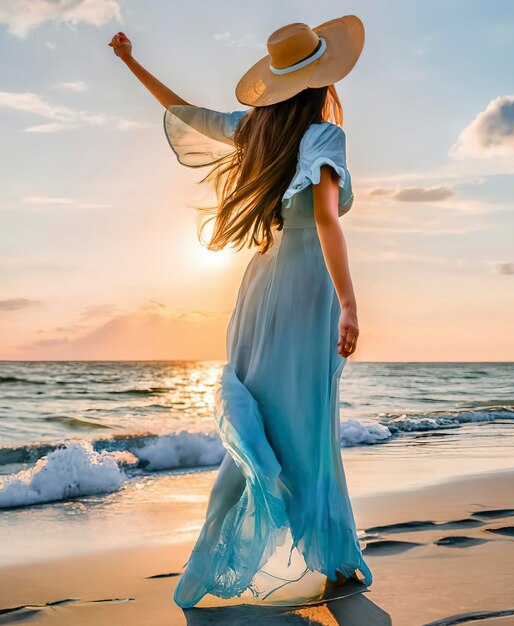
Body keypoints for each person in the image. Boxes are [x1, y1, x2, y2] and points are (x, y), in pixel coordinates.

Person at [109, 15, 372, 609]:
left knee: (264, 421)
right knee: (307, 422)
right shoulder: (324, 136)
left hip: (259, 293)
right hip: (308, 291)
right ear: (322, 80)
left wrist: (130, 63)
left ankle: (208, 562)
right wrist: (351, 302)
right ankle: (330, 558)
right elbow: (327, 220)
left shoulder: (256, 132)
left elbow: (186, 112)